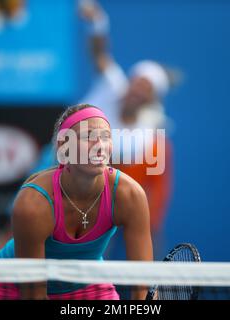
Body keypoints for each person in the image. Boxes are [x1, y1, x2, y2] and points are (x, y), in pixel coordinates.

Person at [0, 104, 153, 300]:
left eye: (106, 136)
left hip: (87, 283)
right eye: (88, 136)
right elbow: (33, 294)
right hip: (14, 286)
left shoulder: (130, 195)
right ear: (64, 147)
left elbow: (143, 285)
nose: (100, 145)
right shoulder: (33, 204)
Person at [79, 0, 174, 260]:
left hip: (86, 182)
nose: (138, 90)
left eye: (147, 89)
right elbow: (99, 54)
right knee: (25, 215)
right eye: (138, 83)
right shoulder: (112, 84)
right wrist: (98, 22)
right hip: (56, 161)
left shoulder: (144, 136)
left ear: (151, 100)